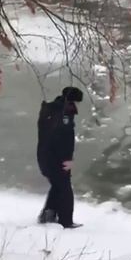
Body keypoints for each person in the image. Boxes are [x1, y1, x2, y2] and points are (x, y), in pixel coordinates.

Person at [37, 86, 83, 228]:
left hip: (44, 155)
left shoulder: (51, 110)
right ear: (72, 100)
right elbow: (62, 140)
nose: (77, 106)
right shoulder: (64, 115)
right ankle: (65, 221)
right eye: (77, 102)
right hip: (56, 159)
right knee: (65, 190)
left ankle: (47, 215)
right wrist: (67, 160)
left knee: (58, 186)